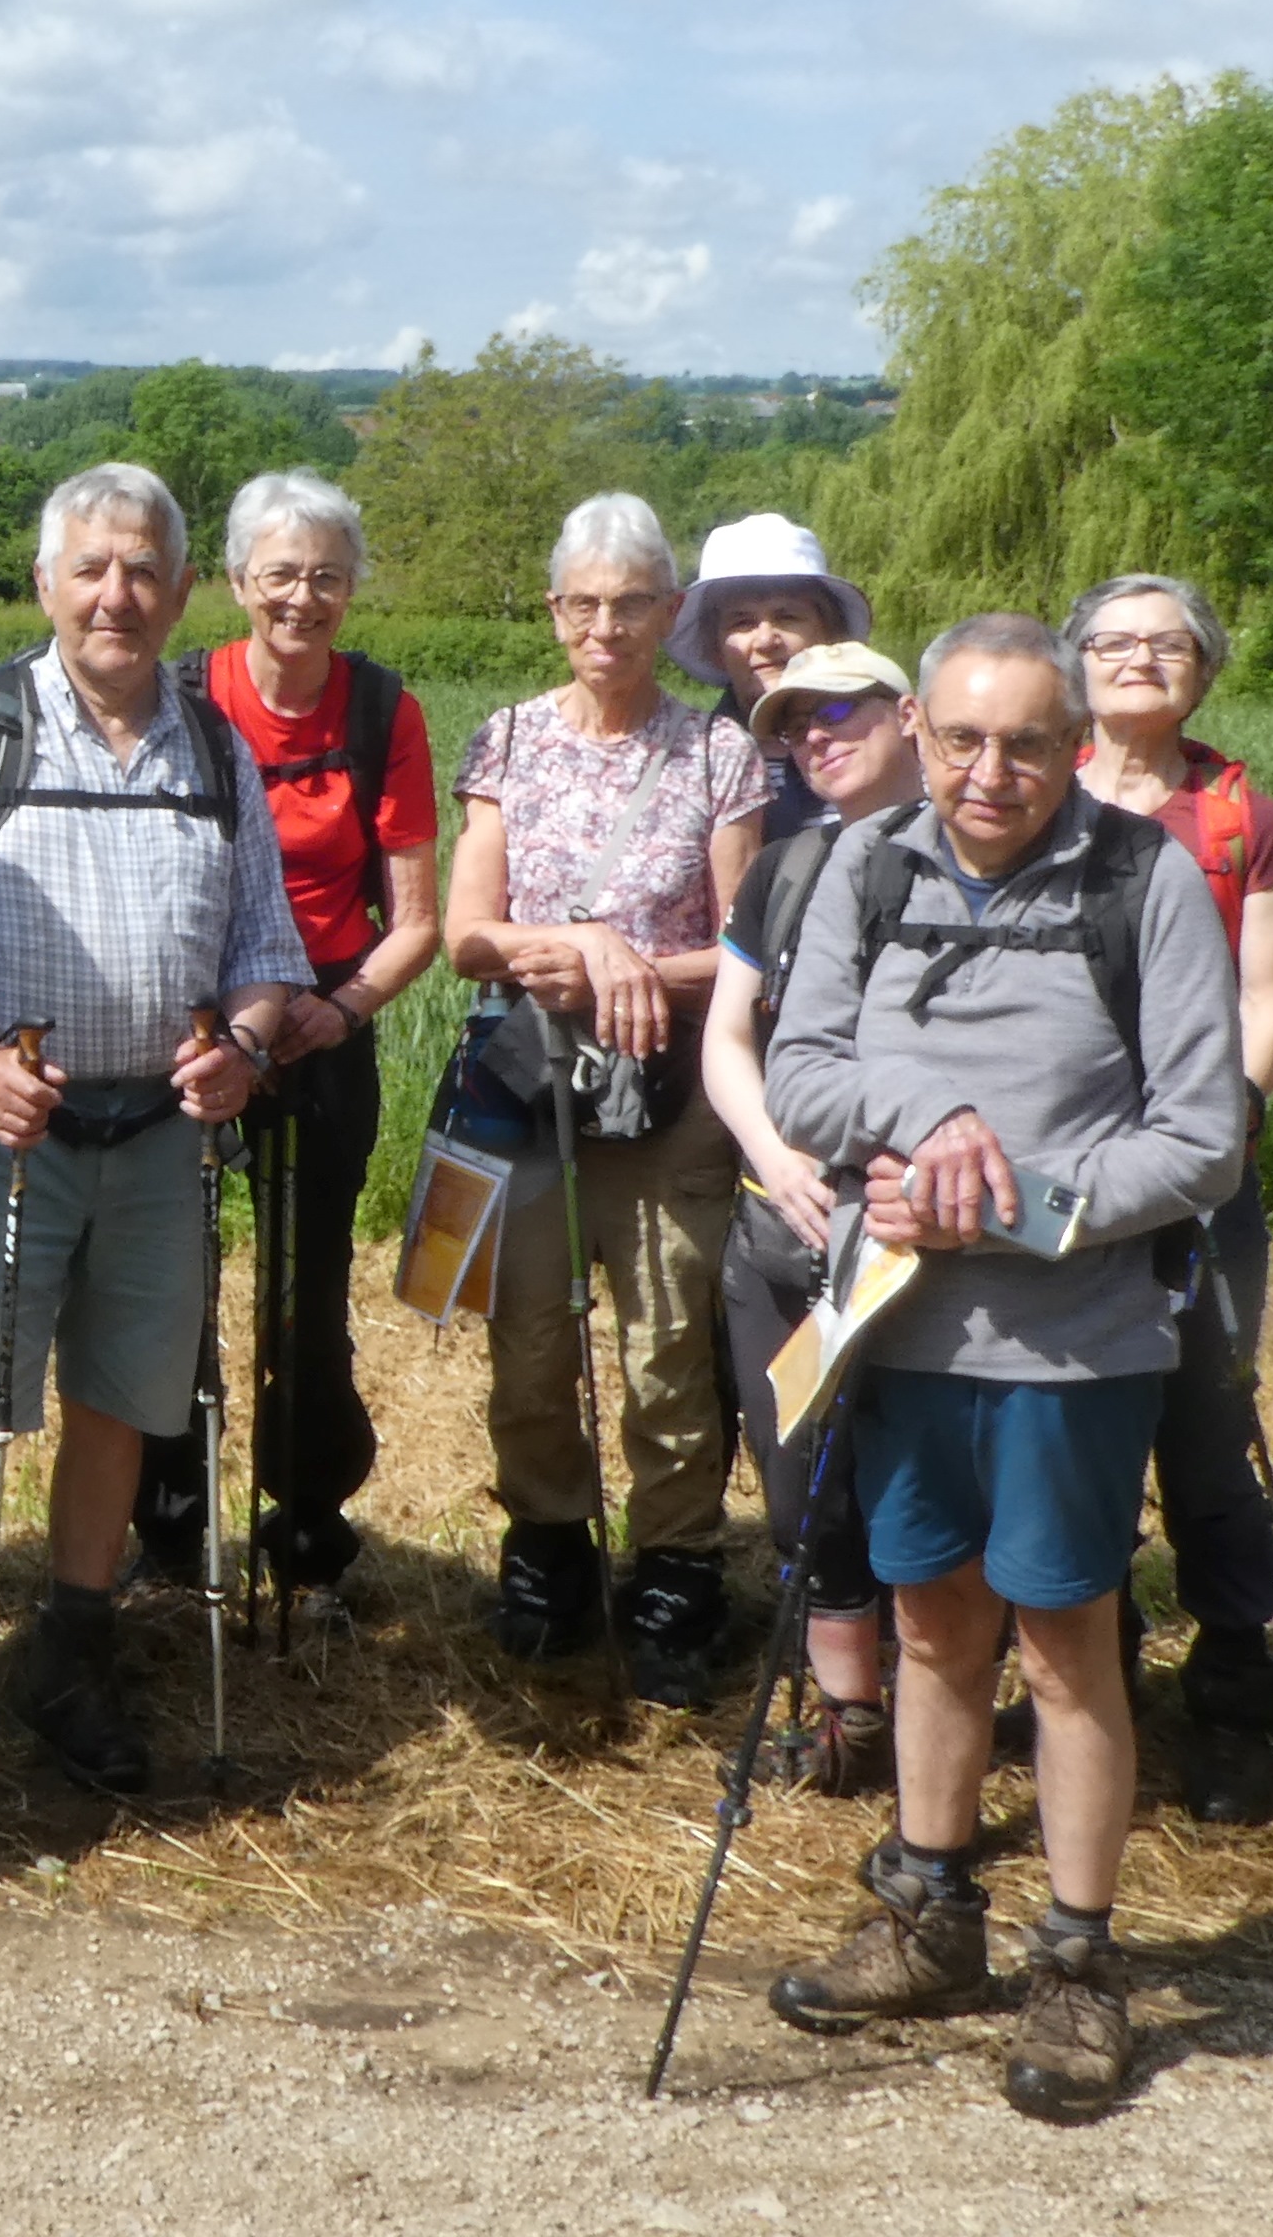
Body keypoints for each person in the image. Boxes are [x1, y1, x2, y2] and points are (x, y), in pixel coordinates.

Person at [755, 613, 1247, 2126]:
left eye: (1027, 744)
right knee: (930, 1624)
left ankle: (1080, 1964)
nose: (991, 773)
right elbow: (800, 1071)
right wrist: (926, 1120)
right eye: (962, 739)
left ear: (1072, 745)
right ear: (917, 728)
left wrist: (1019, 1205)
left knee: (1065, 1645)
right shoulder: (868, 861)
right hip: (901, 1327)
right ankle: (931, 1913)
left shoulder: (1145, 878)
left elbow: (1205, 1137)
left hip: (1074, 1347)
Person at [0, 463, 304, 1832]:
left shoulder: (213, 748)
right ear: (45, 582)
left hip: (160, 1137)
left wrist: (247, 1043)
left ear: (183, 589)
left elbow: (266, 948)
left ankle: (72, 1654)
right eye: (91, 567)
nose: (118, 594)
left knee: (122, 1409)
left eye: (144, 568)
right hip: (9, 1130)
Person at [437, 493, 766, 1700]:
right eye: (583, 603)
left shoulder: (722, 757)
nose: (606, 626)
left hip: (672, 1094)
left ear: (670, 613)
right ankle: (548, 1543)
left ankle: (677, 1563)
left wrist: (633, 973)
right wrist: (587, 943)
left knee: (667, 1340)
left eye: (631, 603)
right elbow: (469, 936)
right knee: (527, 1335)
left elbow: (745, 949)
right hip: (530, 1090)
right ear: (553, 611)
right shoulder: (508, 741)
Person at [125, 468, 439, 1625]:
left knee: (308, 1300)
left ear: (351, 589)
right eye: (280, 575)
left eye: (327, 577)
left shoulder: (381, 711)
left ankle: (306, 1539)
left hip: (322, 1036)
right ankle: (169, 1535)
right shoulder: (183, 696)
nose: (302, 597)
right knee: (169, 1289)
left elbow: (417, 921)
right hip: (192, 1038)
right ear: (237, 580)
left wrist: (340, 1010)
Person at [1065, 571, 1273, 1825]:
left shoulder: (1239, 820)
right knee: (1079, 1424)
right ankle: (1091, 1683)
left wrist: (1232, 1122)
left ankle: (1231, 1690)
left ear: (1206, 670)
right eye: (1113, 642)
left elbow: (1266, 997)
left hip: (1200, 1173)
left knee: (1209, 1431)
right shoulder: (1029, 790)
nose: (1139, 660)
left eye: (1168, 645)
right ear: (1074, 663)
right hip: (1063, 1172)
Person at [695, 640, 923, 1795]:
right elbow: (728, 1034)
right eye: (793, 724)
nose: (814, 736)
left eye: (840, 711)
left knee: (921, 1491)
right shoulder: (782, 867)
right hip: (779, 1225)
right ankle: (851, 1719)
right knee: (801, 1490)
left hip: (915, 1236)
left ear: (909, 714)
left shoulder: (972, 860)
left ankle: (937, 1719)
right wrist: (772, 1154)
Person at [671, 514, 872, 841]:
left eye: (787, 617)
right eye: (743, 623)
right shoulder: (688, 760)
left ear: (829, 631)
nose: (765, 640)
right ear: (715, 646)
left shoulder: (877, 738)